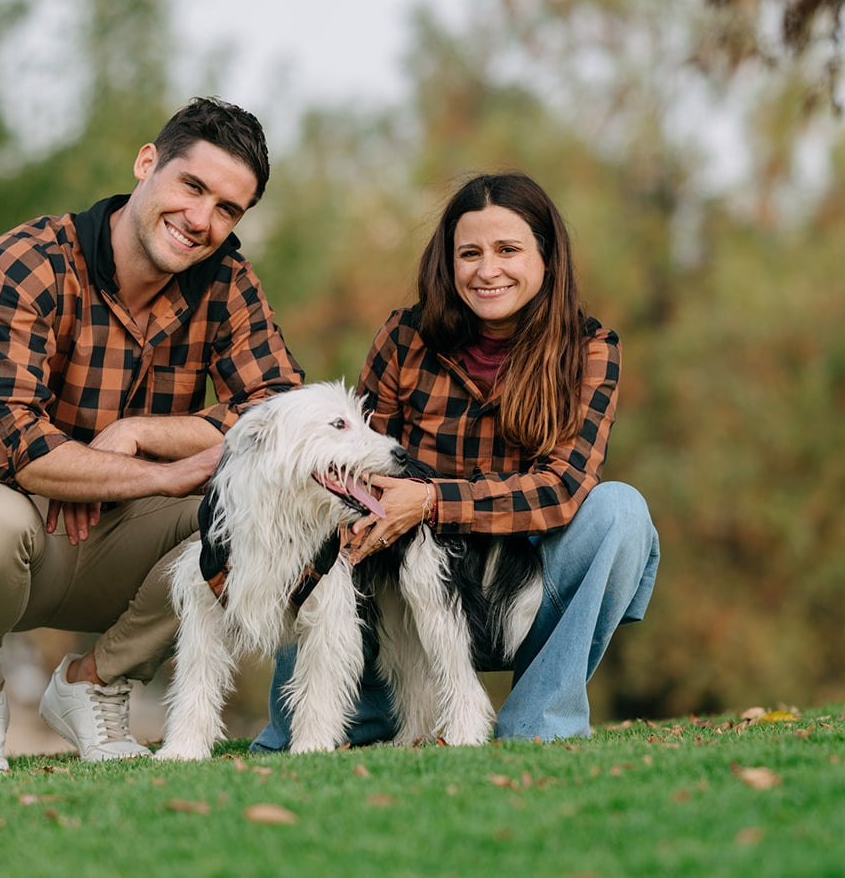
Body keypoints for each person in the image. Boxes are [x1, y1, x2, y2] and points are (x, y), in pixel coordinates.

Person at [0, 97, 303, 774]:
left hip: (127, 546)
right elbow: (8, 440)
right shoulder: (32, 260)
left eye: (228, 209)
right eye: (193, 187)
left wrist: (142, 432)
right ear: (148, 163)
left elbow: (278, 412)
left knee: (263, 508)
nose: (202, 221)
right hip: (16, 529)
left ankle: (96, 683)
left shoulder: (227, 282)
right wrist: (162, 474)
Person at [252, 171, 658, 749]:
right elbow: (361, 468)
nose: (487, 270)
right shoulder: (405, 337)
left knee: (620, 510)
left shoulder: (590, 349)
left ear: (546, 257)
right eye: (469, 253)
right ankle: (352, 716)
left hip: (522, 589)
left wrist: (434, 501)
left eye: (508, 250)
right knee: (321, 507)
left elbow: (562, 488)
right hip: (404, 584)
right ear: (448, 262)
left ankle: (540, 725)